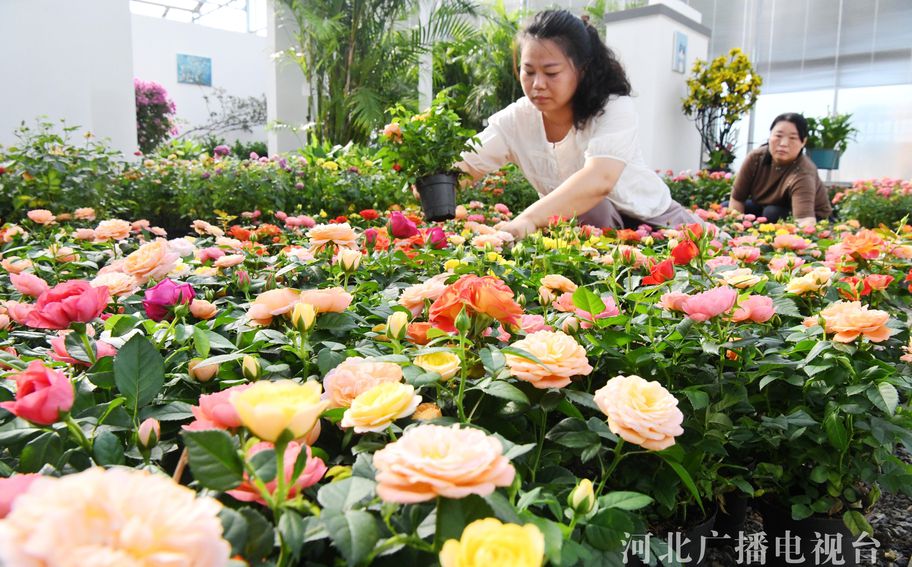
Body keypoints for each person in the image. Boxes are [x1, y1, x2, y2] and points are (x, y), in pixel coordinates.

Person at [456, 9, 701, 239]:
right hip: (590, 231)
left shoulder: (613, 108)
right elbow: (465, 167)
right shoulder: (516, 120)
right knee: (587, 214)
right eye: (528, 71)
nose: (537, 84)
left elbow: (599, 180)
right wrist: (431, 181)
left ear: (582, 71)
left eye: (551, 73)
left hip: (657, 223)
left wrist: (527, 220)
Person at [728, 113, 833, 226]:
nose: (783, 144)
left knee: (772, 213)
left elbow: (805, 221)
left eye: (793, 138)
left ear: (803, 142)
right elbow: (737, 199)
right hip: (766, 207)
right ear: (770, 136)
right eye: (778, 136)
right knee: (727, 207)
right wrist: (736, 227)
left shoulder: (803, 171)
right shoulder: (755, 158)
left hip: (811, 217)